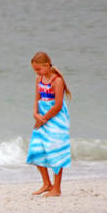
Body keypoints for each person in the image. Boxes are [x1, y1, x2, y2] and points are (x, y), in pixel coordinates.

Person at [25, 51, 71, 196]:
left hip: (56, 119)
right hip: (42, 117)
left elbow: (57, 105)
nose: (36, 72)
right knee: (36, 149)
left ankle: (56, 189)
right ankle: (46, 183)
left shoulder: (57, 81)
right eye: (34, 70)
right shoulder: (39, 79)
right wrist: (35, 114)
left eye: (38, 69)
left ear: (47, 65)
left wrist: (44, 118)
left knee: (55, 151)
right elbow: (36, 99)